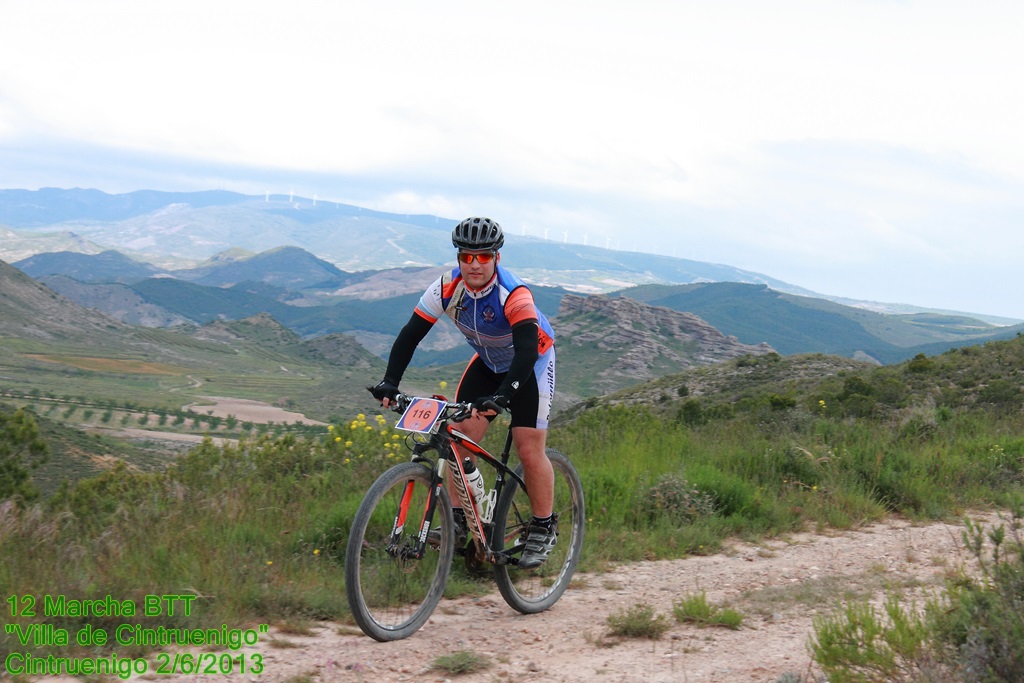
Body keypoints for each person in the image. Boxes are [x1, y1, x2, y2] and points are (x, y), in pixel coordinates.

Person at [369, 216, 557, 569]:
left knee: (528, 448)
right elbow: (411, 335)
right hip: (488, 363)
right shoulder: (446, 287)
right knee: (457, 438)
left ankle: (544, 526)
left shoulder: (514, 294)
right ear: (458, 258)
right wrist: (390, 381)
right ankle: (458, 518)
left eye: (483, 257)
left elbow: (527, 351)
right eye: (467, 257)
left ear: (497, 258)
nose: (474, 264)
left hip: (531, 364)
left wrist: (504, 395)